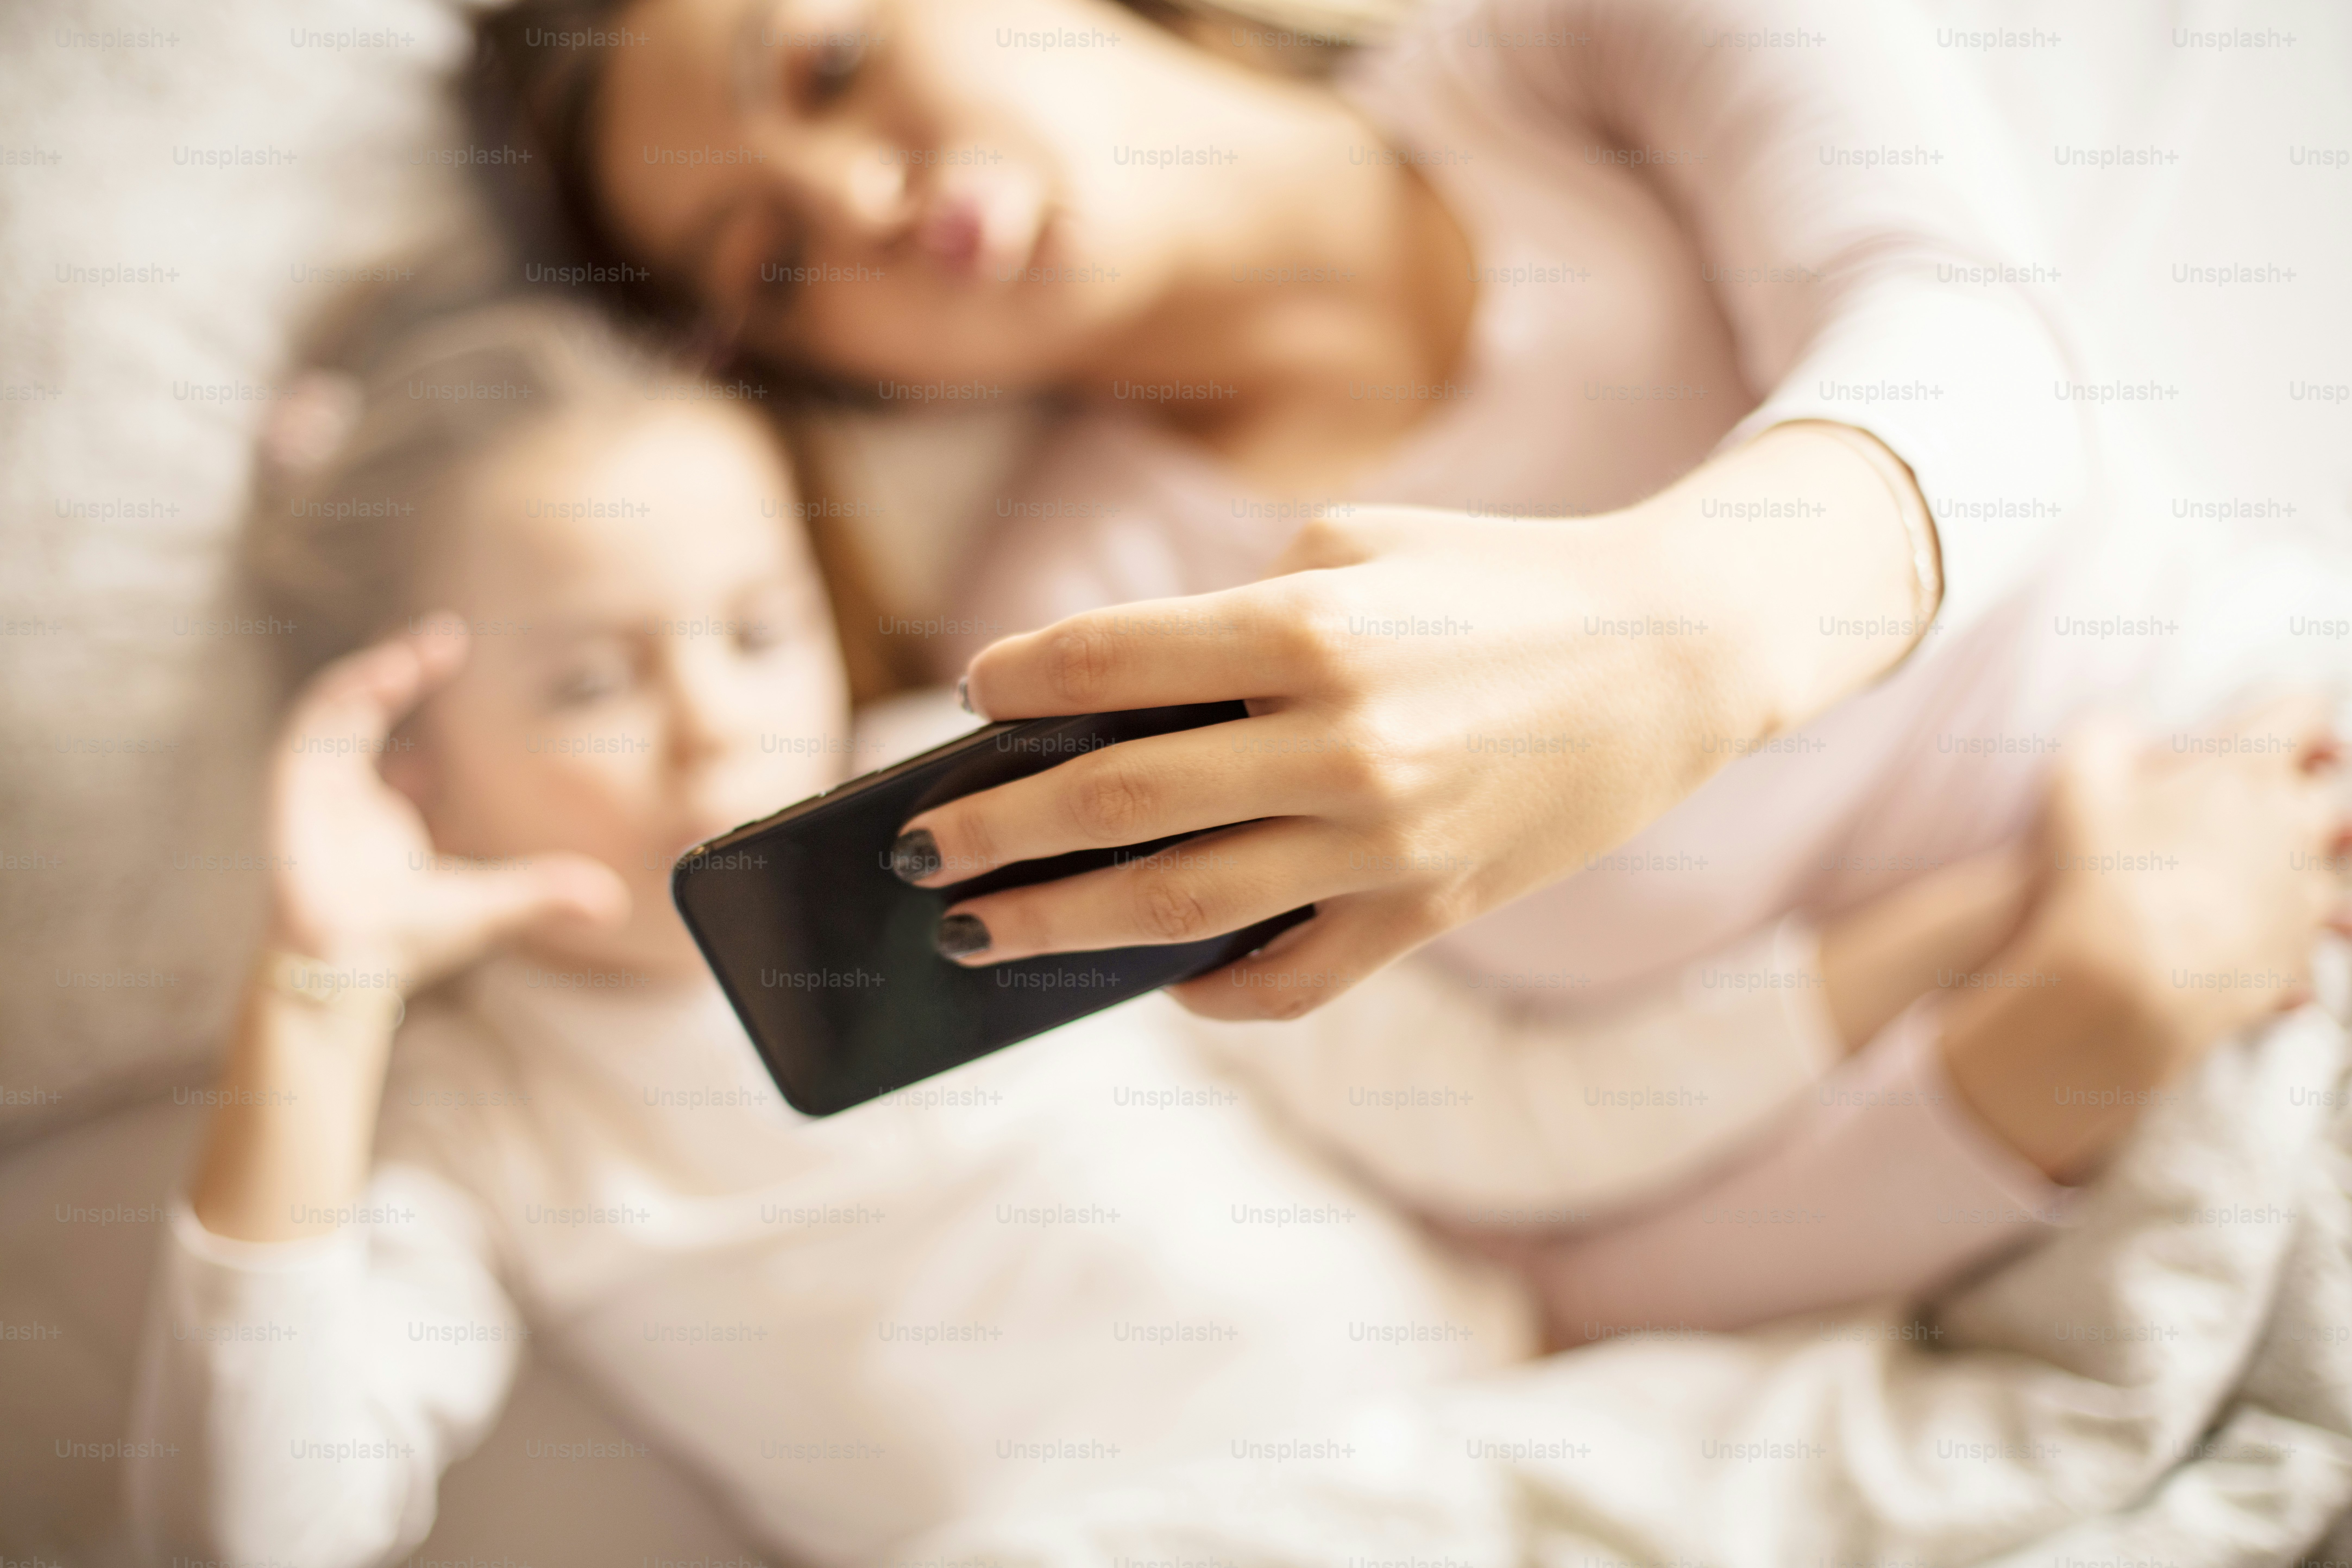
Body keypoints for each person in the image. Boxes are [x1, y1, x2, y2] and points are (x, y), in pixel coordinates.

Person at [482, 0, 2086, 1011]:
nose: (850, 199)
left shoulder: (1572, 42)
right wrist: (2075, 1016)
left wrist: (1682, 650)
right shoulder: (1064, 654)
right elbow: (1525, 1236)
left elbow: (1994, 352)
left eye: (828, 63)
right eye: (772, 263)